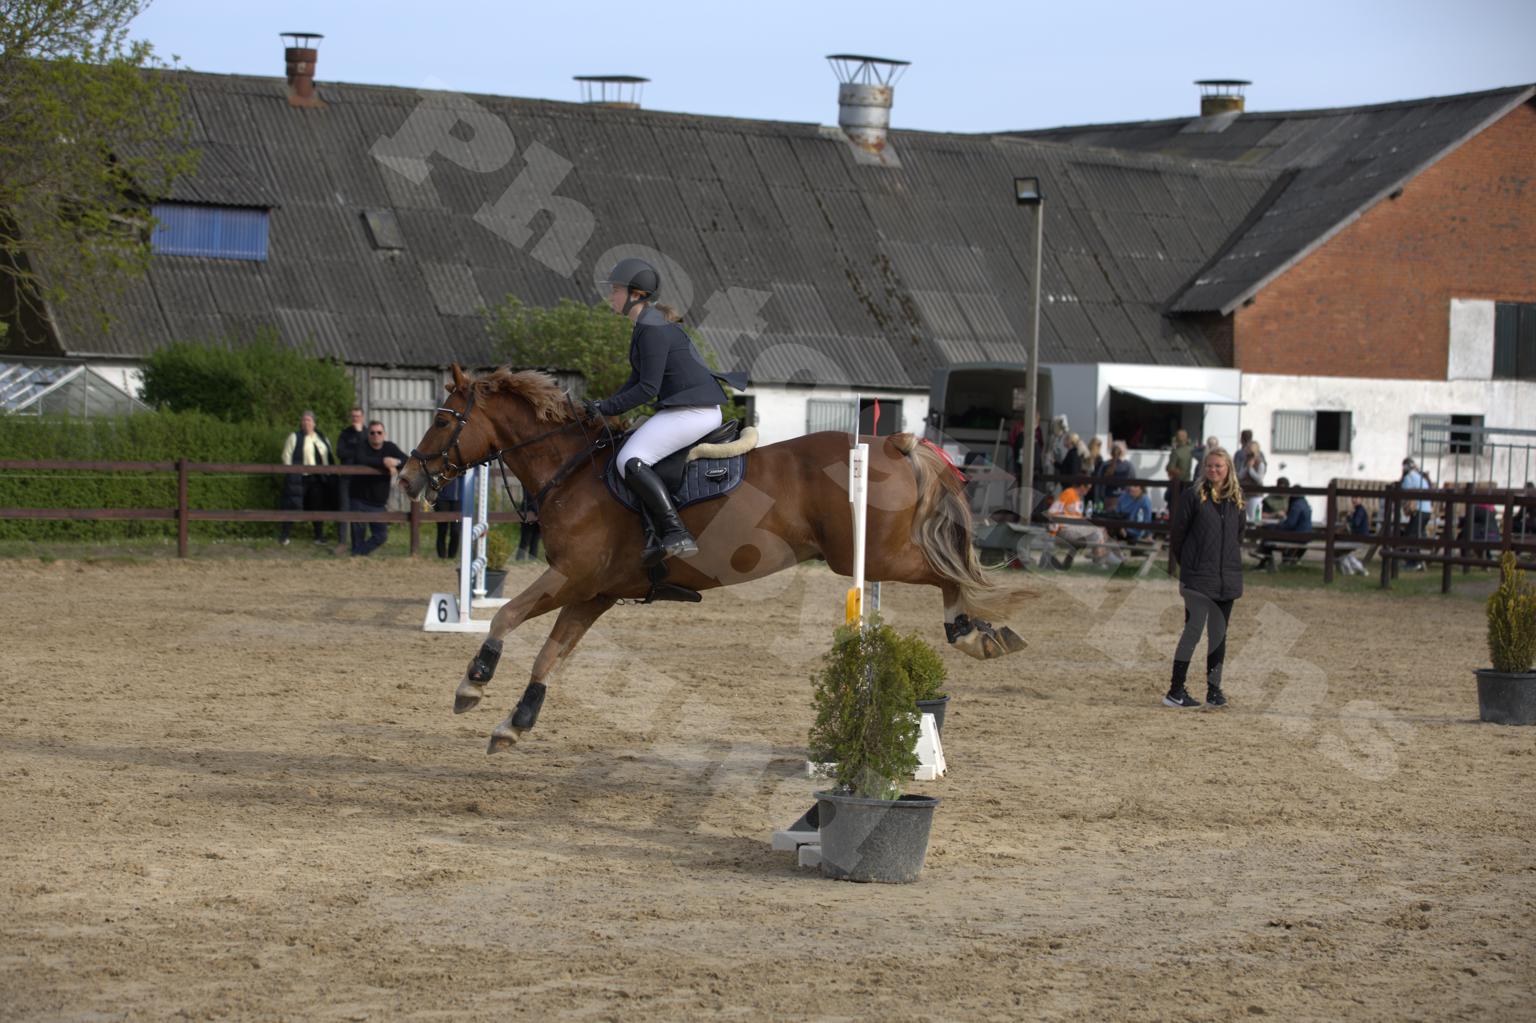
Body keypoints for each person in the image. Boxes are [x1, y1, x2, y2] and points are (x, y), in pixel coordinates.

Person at [578, 258, 746, 565]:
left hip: (694, 411)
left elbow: (647, 389)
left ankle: (675, 531)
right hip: (687, 408)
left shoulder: (652, 328)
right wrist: (604, 406)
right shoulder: (646, 326)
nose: (611, 296)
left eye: (616, 290)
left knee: (629, 459)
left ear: (637, 294)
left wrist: (606, 407)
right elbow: (635, 380)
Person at [1166, 447, 1245, 709]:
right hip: (1198, 578)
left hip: (1226, 579)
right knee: (1193, 632)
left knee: (1218, 636)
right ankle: (1175, 691)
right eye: (1209, 465)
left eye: (1218, 466)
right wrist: (1189, 565)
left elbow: (1238, 536)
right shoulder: (1192, 496)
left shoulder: (1236, 499)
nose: (1213, 470)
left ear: (1228, 469)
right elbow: (1178, 535)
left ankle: (1214, 690)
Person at [350, 420, 407, 556]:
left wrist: (395, 462)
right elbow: (360, 459)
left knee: (381, 535)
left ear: (384, 434)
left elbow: (407, 460)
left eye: (379, 432)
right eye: (372, 433)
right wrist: (384, 462)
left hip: (378, 503)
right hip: (359, 500)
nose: (376, 435)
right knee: (358, 538)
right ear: (368, 435)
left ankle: (356, 555)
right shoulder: (361, 446)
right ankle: (357, 560)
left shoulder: (390, 447)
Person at [278, 410, 334, 546]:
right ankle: (284, 536)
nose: (306, 423)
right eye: (303, 420)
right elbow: (286, 456)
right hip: (299, 478)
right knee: (292, 505)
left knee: (317, 506)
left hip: (318, 478)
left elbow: (328, 455)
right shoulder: (294, 437)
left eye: (308, 420)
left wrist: (328, 473)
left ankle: (318, 536)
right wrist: (291, 474)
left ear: (314, 423)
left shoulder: (321, 437)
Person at [1046, 480, 1113, 567]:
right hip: (1064, 529)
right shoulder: (1069, 493)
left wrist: (1081, 519)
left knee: (1101, 530)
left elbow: (1075, 516)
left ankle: (1099, 556)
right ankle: (1099, 559)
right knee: (1098, 531)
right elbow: (1052, 512)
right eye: (1088, 488)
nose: (1088, 490)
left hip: (1073, 529)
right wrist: (1053, 531)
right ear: (1082, 486)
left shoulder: (1077, 497)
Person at [1255, 477, 1313, 569]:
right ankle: (1269, 559)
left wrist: (1278, 526)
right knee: (1270, 533)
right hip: (1304, 535)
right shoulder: (1304, 504)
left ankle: (1263, 561)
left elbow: (1290, 524)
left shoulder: (1296, 506)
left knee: (1268, 534)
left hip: (1298, 535)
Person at [335, 406, 367, 550]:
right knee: (344, 509)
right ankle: (342, 542)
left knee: (360, 510)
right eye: (353, 416)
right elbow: (340, 452)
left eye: (358, 416)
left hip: (362, 479)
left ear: (362, 417)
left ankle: (359, 543)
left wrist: (359, 435)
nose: (355, 419)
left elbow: (366, 453)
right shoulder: (345, 433)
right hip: (346, 478)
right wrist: (356, 453)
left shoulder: (368, 433)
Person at [1400, 458, 1431, 571]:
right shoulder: (1421, 477)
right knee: (1413, 535)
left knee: (1411, 536)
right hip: (1427, 511)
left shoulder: (1409, 477)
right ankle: (1415, 561)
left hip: (1419, 511)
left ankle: (1414, 562)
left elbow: (1403, 490)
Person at [1237, 439, 1267, 524]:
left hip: (1255, 495)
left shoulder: (1260, 463)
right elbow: (1240, 476)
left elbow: (1259, 479)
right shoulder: (1245, 461)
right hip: (1245, 493)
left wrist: (1250, 469)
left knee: (1254, 518)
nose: (1245, 451)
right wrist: (1247, 467)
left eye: (1248, 449)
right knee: (1244, 518)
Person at [1339, 496, 1371, 575]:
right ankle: (1352, 569)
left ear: (1361, 499)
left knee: (1342, 550)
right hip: (1357, 536)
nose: (1354, 500)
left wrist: (1349, 517)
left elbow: (1356, 523)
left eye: (1356, 498)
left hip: (1359, 537)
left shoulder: (1360, 510)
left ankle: (1357, 569)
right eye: (1353, 498)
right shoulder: (1357, 509)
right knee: (1342, 550)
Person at [433, 474, 462, 560]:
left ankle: (451, 556)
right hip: (441, 498)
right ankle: (442, 556)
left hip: (458, 500)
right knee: (442, 529)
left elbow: (476, 470)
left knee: (456, 531)